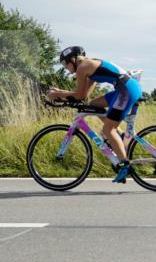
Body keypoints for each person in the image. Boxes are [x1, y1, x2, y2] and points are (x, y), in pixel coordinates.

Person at [46, 46, 142, 183]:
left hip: (125, 91)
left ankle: (125, 165)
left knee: (108, 129)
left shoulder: (82, 68)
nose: (65, 68)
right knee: (93, 104)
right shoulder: (90, 66)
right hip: (125, 88)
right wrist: (63, 93)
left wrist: (58, 94)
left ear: (73, 59)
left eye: (64, 63)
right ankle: (119, 137)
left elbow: (79, 95)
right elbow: (84, 96)